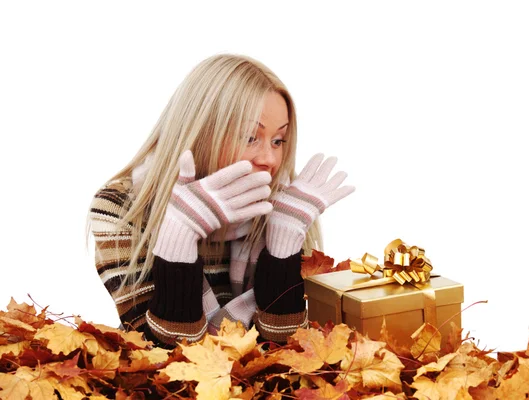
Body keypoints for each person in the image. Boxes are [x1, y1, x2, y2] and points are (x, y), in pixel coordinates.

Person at [88, 54, 354, 348]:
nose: (269, 159)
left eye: (278, 141)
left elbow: (290, 350)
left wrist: (282, 249)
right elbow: (157, 356)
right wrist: (178, 237)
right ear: (202, 133)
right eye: (251, 137)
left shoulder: (285, 206)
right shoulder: (121, 207)